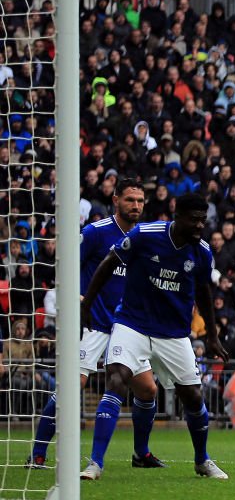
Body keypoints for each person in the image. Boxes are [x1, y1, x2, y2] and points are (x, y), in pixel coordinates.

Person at [79, 193, 230, 480]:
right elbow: (110, 261)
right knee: (117, 379)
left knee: (193, 396)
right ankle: (95, 463)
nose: (200, 226)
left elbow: (204, 293)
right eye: (194, 220)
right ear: (178, 215)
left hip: (173, 333)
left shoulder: (203, 252)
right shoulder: (145, 235)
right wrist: (87, 303)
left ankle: (202, 460)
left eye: (203, 220)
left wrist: (212, 335)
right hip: (132, 323)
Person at [29, 178, 156, 469]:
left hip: (126, 328)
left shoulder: (143, 238)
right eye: (129, 200)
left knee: (148, 390)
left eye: (139, 201)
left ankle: (142, 454)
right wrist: (77, 299)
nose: (135, 205)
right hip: (93, 326)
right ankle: (37, 454)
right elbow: (66, 265)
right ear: (116, 200)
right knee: (72, 389)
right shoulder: (96, 233)